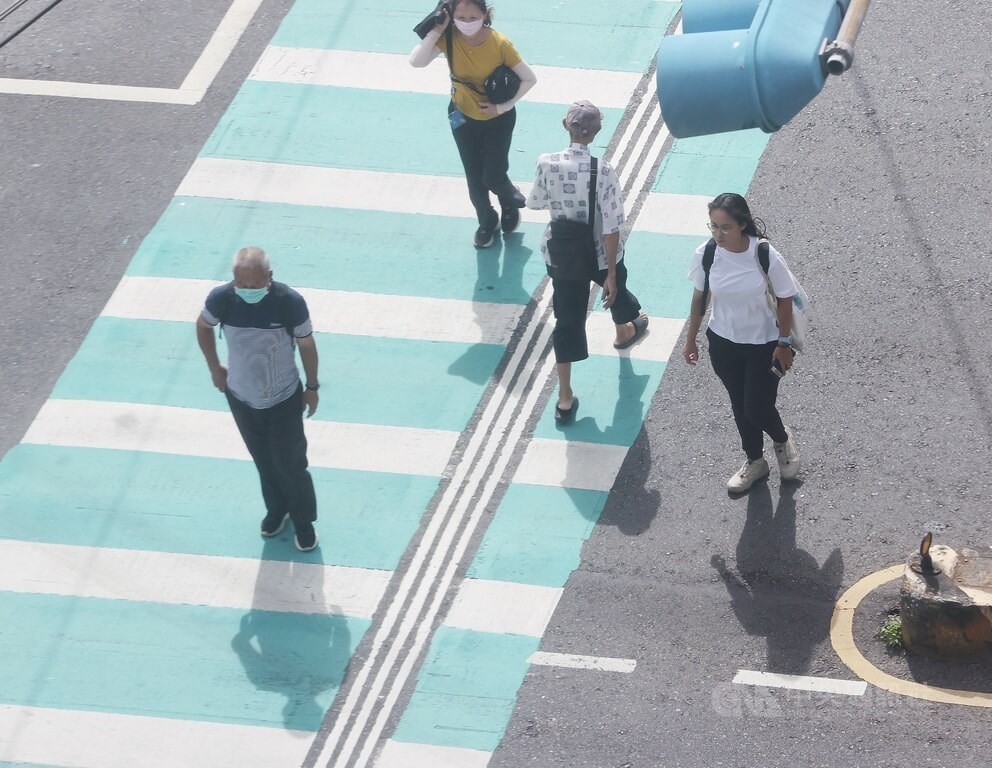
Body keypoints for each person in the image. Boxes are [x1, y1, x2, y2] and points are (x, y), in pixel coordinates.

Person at [527, 100, 649, 425]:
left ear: (565, 126)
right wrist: (610, 273)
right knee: (615, 290)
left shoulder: (546, 162)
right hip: (598, 253)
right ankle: (623, 331)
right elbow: (612, 226)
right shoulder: (603, 171)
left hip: (563, 254)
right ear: (596, 132)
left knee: (566, 320)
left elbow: (535, 202)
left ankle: (565, 397)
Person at [195, 247, 321, 551]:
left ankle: (303, 522)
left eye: (255, 284)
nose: (248, 290)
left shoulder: (289, 302)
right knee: (264, 460)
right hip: (241, 397)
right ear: (233, 278)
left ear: (269, 277)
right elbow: (203, 326)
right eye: (242, 284)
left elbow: (306, 345)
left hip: (283, 397)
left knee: (290, 464)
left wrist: (312, 387)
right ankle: (277, 509)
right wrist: (214, 368)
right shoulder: (221, 299)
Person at [682, 193, 801, 493]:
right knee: (739, 405)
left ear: (742, 225)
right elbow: (700, 298)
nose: (718, 234)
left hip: (765, 344)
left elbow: (785, 299)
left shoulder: (764, 254)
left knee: (757, 407)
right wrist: (691, 339)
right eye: (713, 226)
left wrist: (783, 343)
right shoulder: (706, 254)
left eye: (726, 227)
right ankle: (755, 461)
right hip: (723, 342)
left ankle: (782, 439)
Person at [410, 0, 537, 248]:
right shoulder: (448, 37)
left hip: (498, 119)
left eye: (473, 17)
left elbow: (529, 79)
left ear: (485, 14)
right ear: (450, 15)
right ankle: (486, 220)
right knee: (474, 176)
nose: (467, 23)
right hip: (460, 116)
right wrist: (437, 29)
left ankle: (508, 199)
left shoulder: (499, 43)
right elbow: (417, 61)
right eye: (461, 17)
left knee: (493, 174)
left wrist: (501, 107)